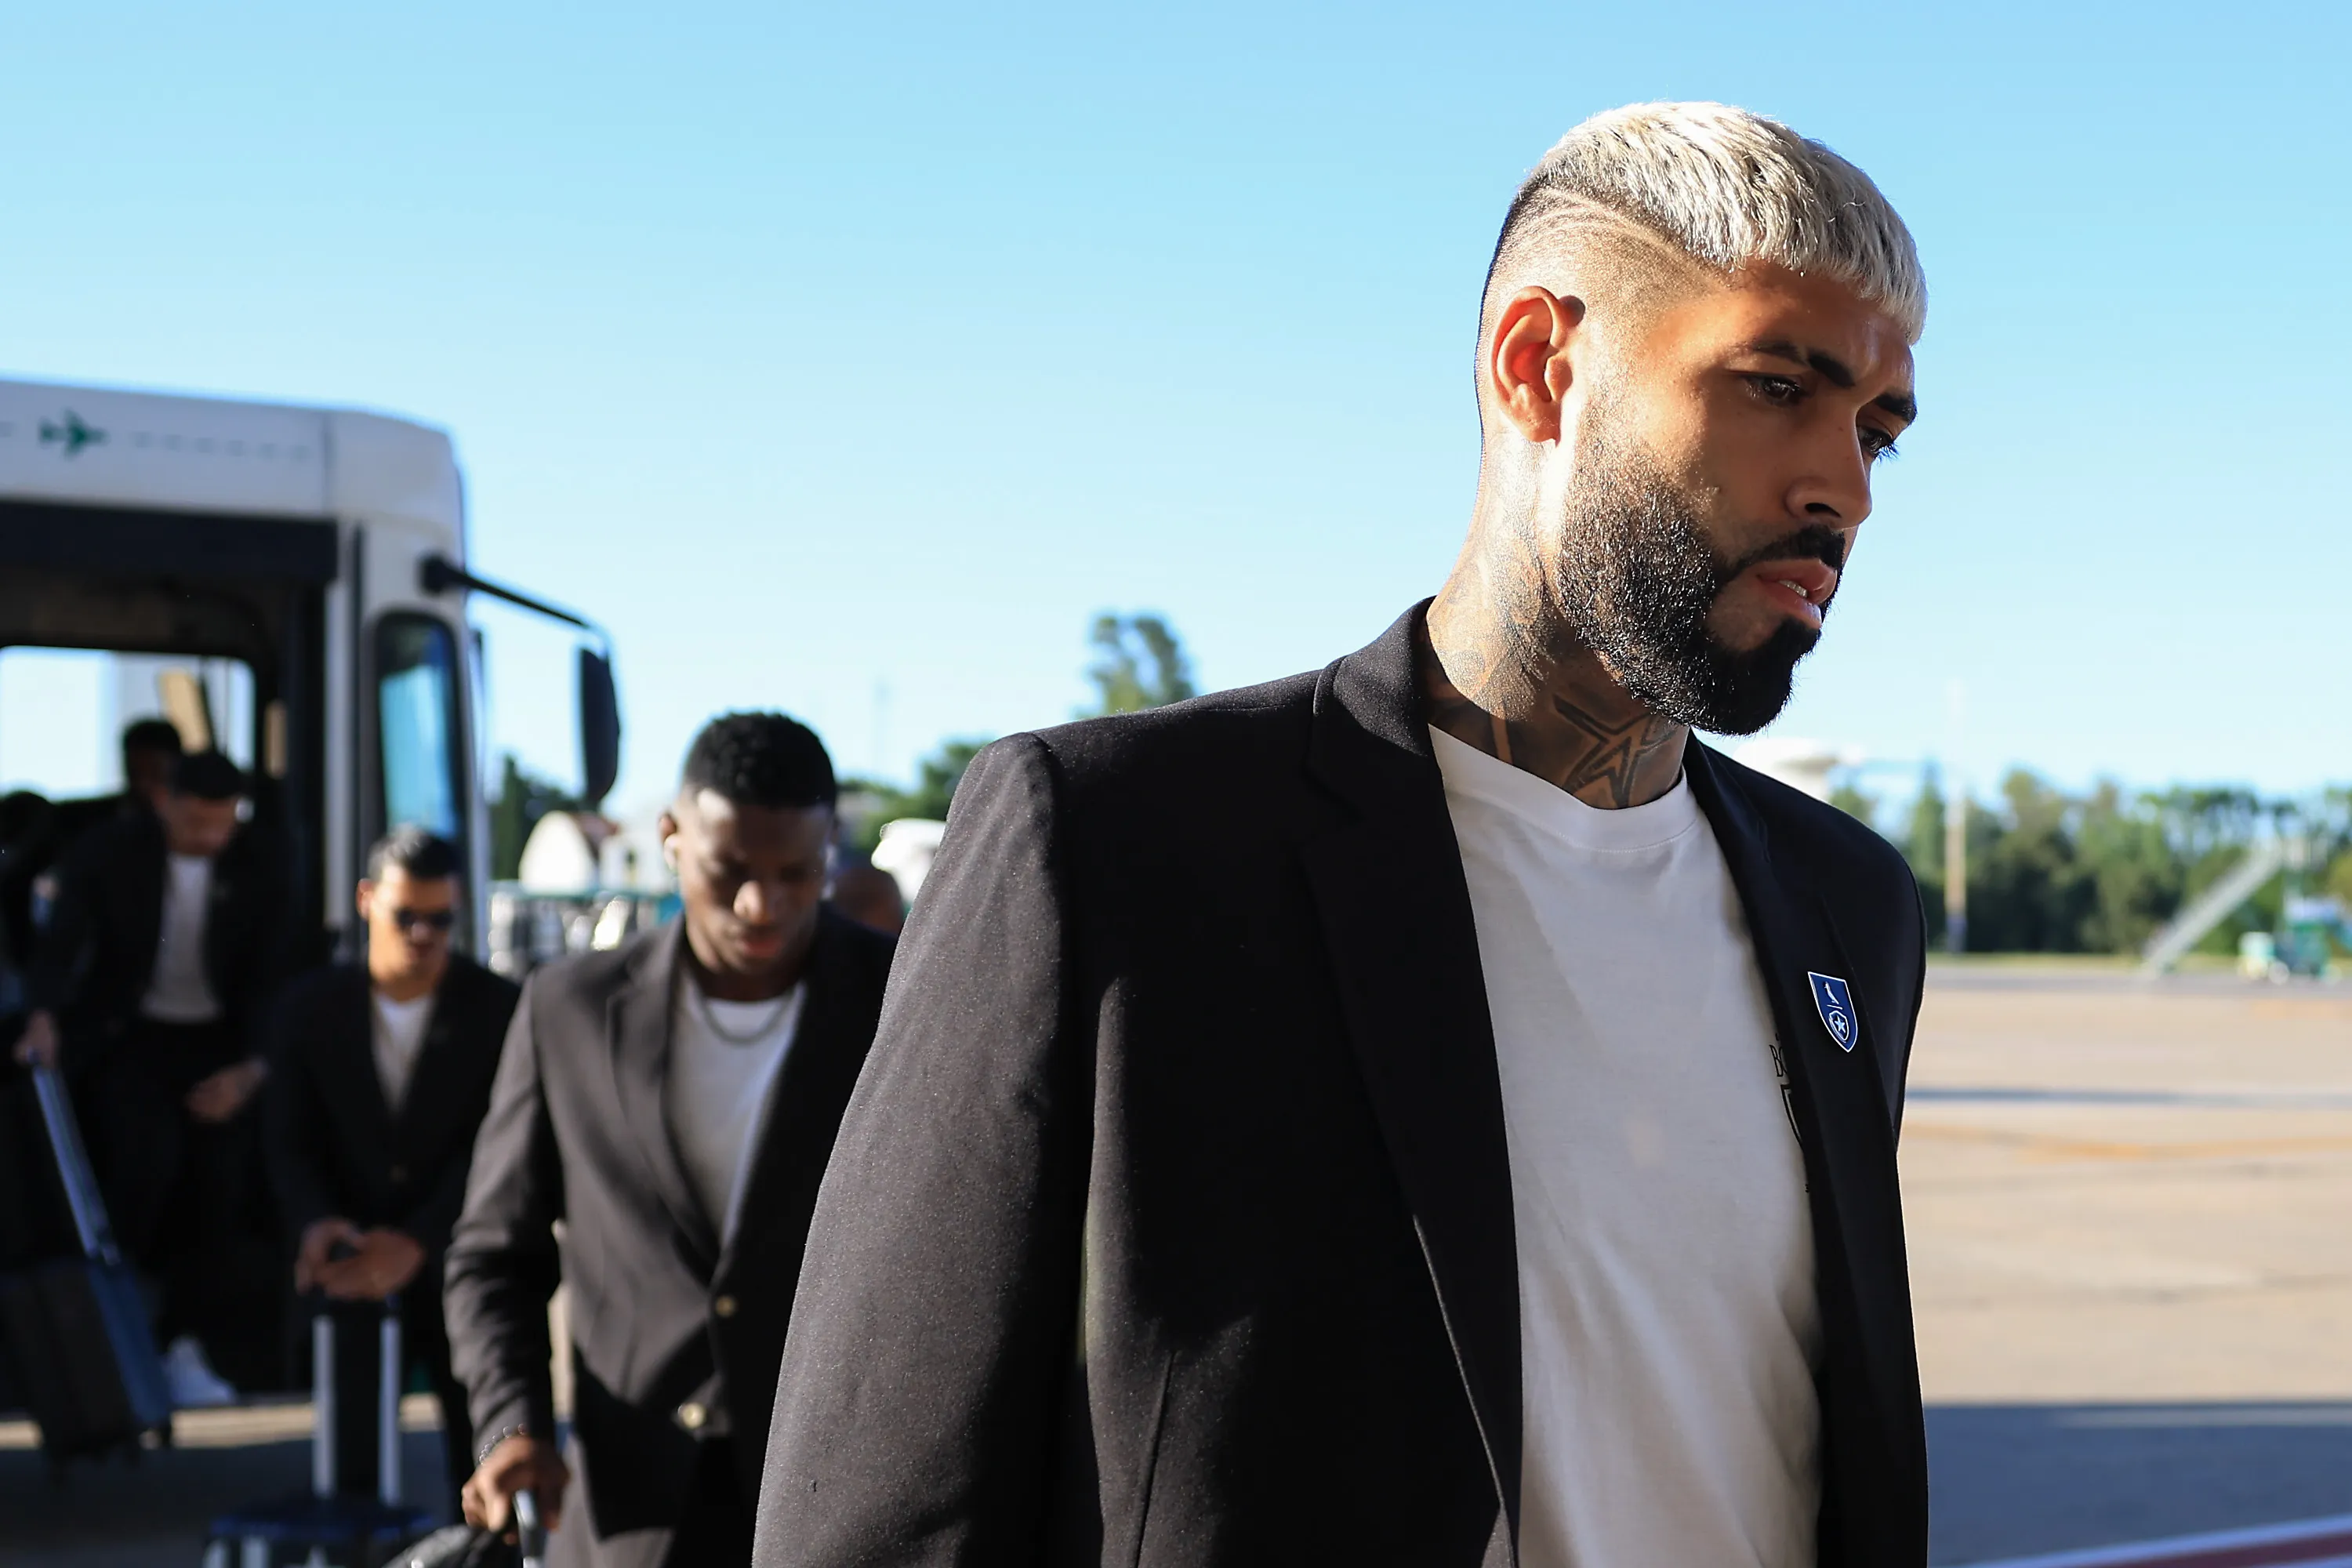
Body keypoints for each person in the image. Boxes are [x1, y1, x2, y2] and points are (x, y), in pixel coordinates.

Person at [757, 102, 1930, 1568]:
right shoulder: (1120, 848)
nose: (1849, 490)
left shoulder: (1853, 909)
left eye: (1880, 429)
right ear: (1540, 367)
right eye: (1776, 386)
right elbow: (880, 1516)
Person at [445, 713, 896, 1567]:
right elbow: (492, 1255)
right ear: (671, 838)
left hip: (838, 1504)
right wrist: (511, 1423)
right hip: (628, 1507)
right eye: (730, 871)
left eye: (797, 873)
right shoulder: (565, 1011)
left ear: (830, 847)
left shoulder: (903, 999)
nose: (760, 904)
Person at [13, 748, 287, 1404]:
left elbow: (278, 976)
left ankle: (188, 1347)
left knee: (217, 1192)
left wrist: (253, 1070)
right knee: (140, 1169)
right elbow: (64, 942)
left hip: (222, 1045)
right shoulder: (112, 851)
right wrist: (43, 1014)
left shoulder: (263, 864)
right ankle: (119, 1339)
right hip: (130, 1037)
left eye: (223, 823)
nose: (209, 838)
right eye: (196, 822)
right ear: (166, 802)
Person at [264, 826, 521, 1505]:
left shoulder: (501, 1009)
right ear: (366, 900)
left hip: (458, 1262)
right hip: (349, 1263)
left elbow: (501, 1147)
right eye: (407, 916)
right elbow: (286, 1139)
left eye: (442, 919)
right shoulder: (307, 1009)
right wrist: (315, 1223)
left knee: (481, 1467)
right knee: (350, 1467)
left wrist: (419, 1241)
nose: (424, 935)